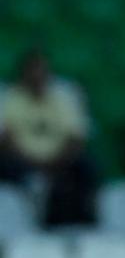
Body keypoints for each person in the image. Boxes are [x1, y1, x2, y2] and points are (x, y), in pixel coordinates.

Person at [0, 49, 96, 225]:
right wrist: (33, 163)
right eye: (32, 71)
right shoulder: (11, 98)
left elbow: (76, 138)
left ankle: (83, 224)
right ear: (24, 74)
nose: (37, 76)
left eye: (41, 71)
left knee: (87, 167)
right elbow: (6, 140)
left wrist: (53, 164)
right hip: (22, 162)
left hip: (59, 162)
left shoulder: (64, 96)